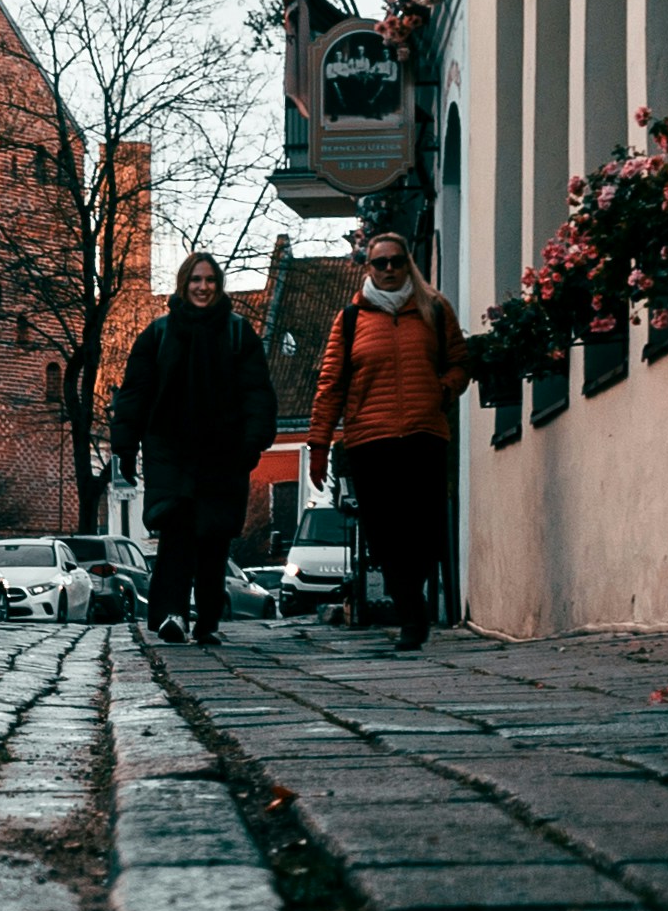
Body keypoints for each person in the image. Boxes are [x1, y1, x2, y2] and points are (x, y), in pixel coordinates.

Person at [308, 222, 470, 649]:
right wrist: (319, 445)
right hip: (371, 441)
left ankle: (412, 601)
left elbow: (459, 362)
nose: (389, 269)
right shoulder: (350, 320)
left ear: (407, 265)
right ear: (369, 267)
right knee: (385, 535)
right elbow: (330, 385)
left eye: (397, 262)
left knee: (425, 530)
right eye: (380, 263)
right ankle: (412, 615)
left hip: (423, 433)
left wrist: (444, 389)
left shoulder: (434, 309)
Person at [107, 247, 272, 641]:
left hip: (224, 450)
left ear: (219, 286)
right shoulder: (159, 333)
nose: (203, 287)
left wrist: (253, 442)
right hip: (170, 449)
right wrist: (124, 448)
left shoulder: (237, 333)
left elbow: (257, 393)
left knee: (214, 537)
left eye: (210, 280)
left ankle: (208, 621)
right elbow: (135, 394)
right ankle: (171, 614)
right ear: (184, 284)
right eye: (196, 280)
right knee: (177, 531)